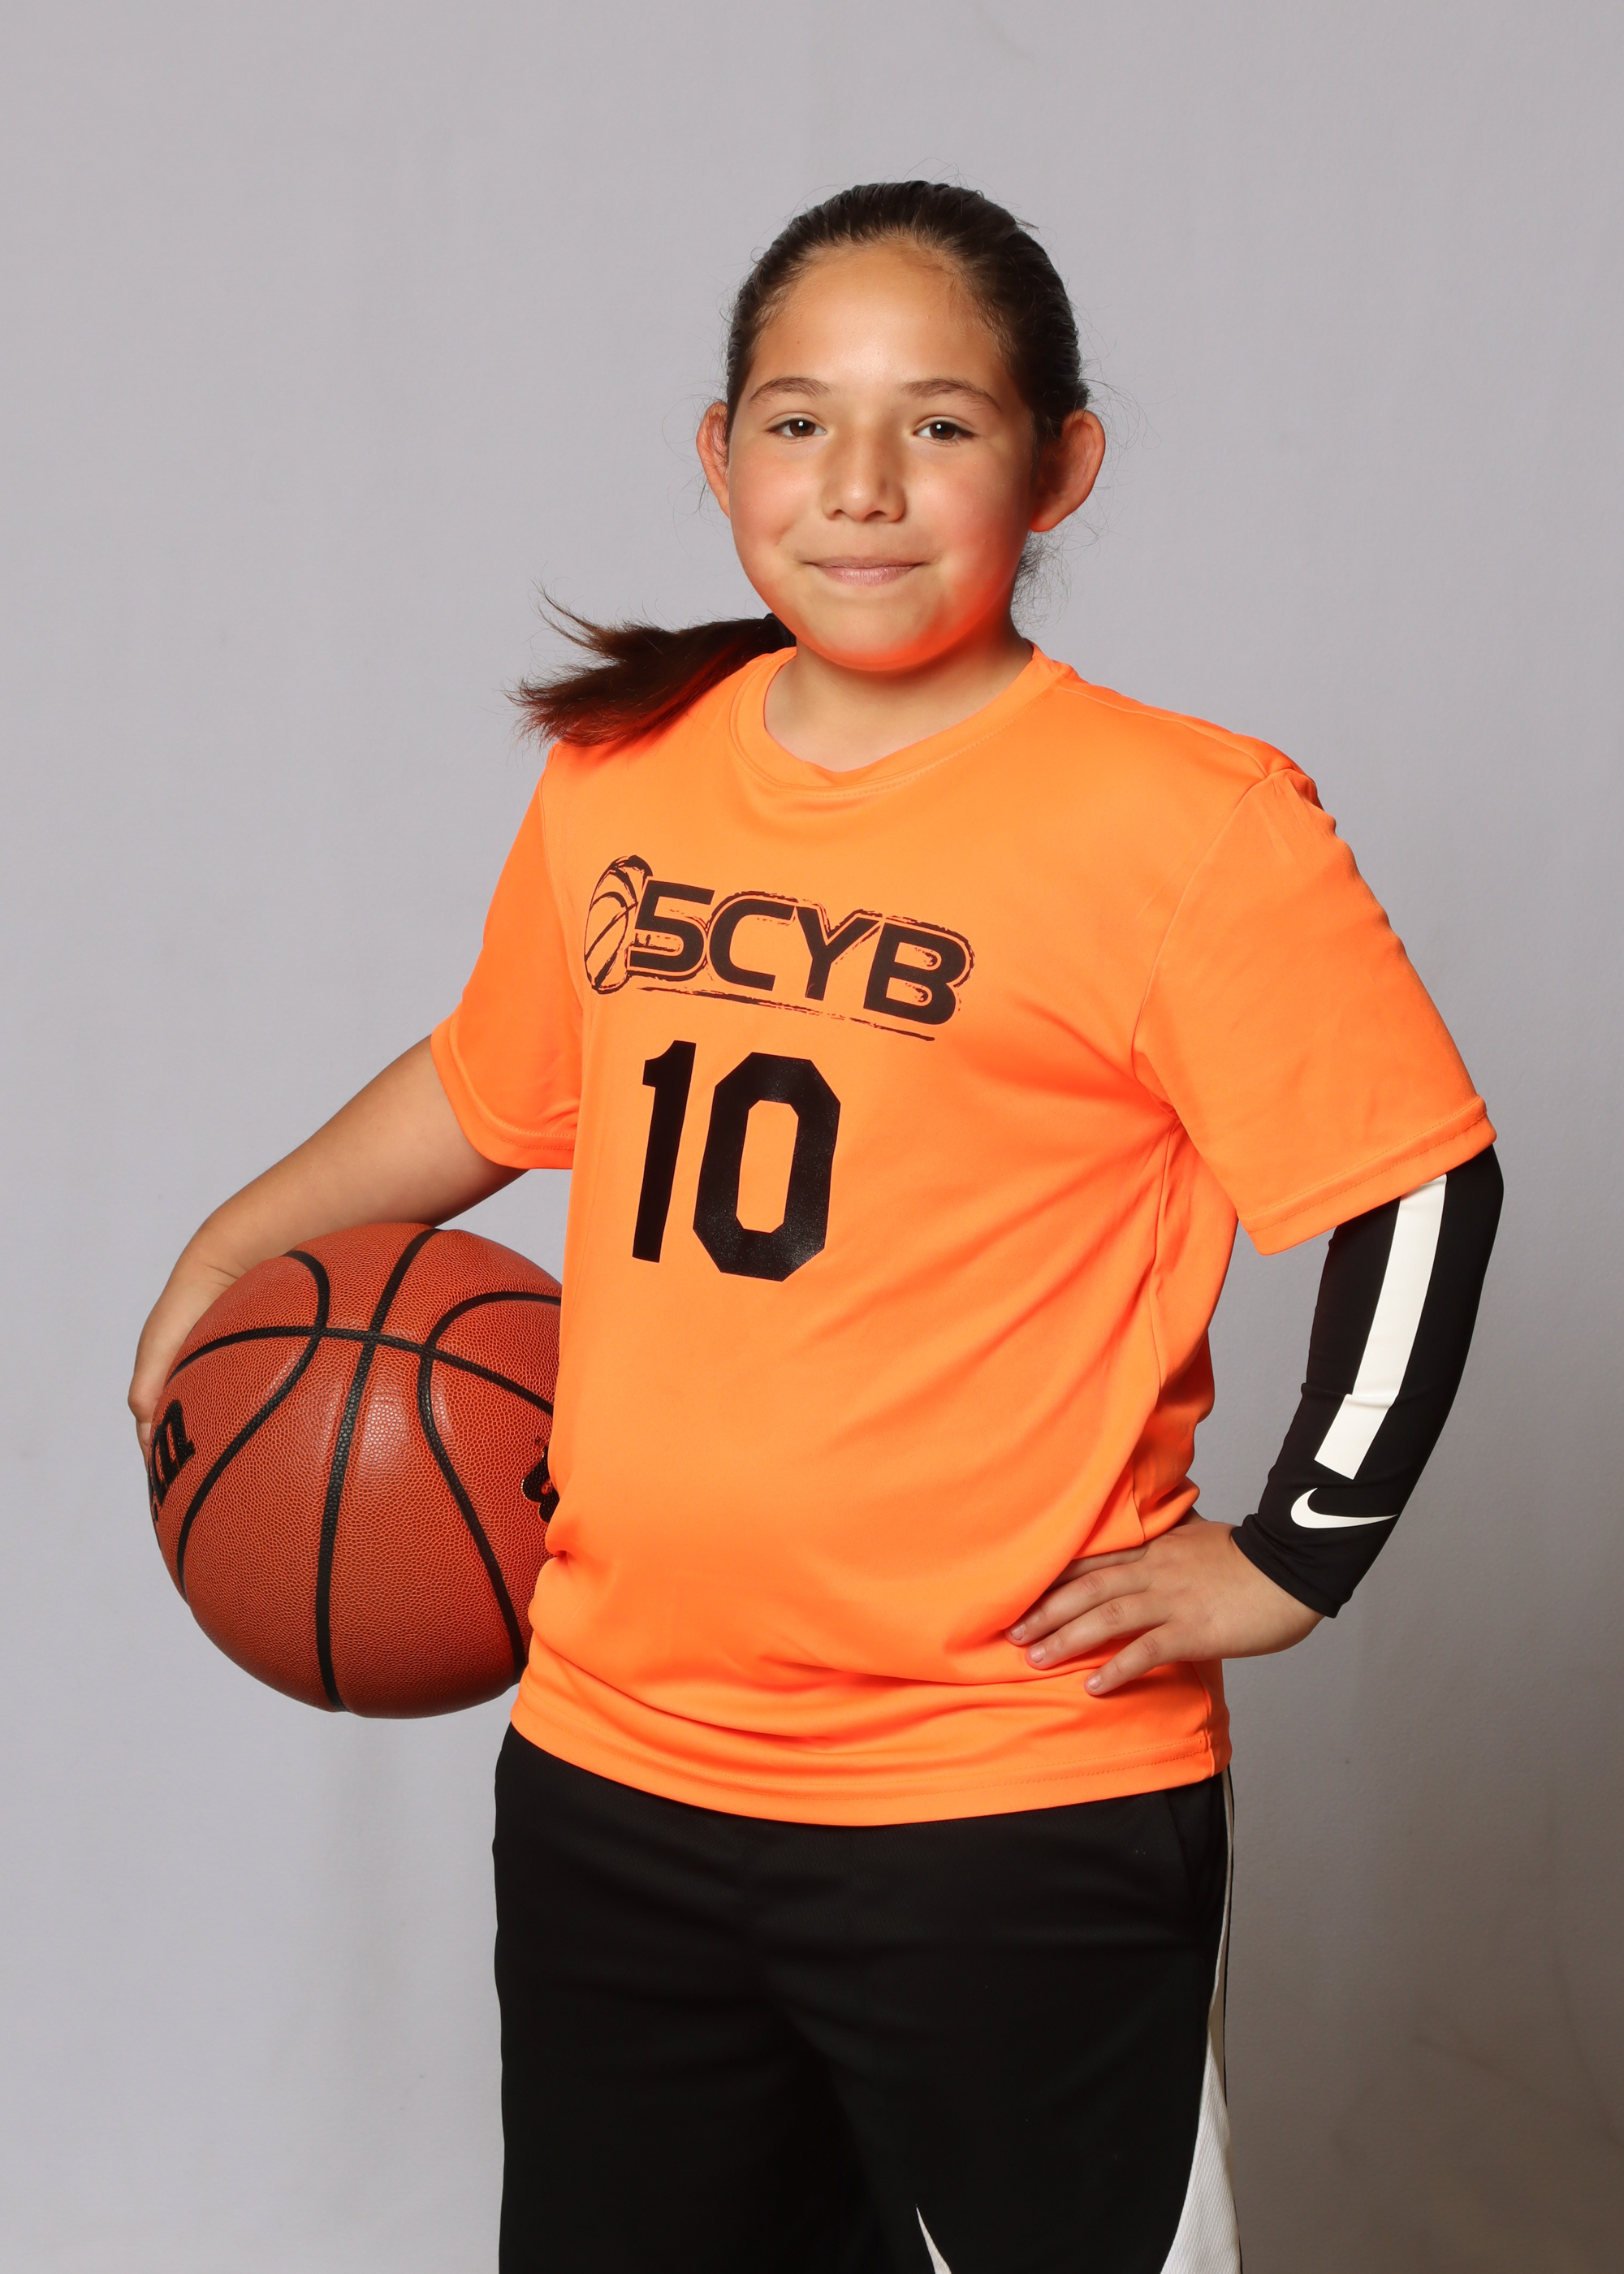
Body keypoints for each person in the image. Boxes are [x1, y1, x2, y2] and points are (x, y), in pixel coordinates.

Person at [129, 182, 1501, 2274]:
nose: (862, 483)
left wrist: (1301, 1551)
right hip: (611, 1767)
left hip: (998, 1802)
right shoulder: (628, 771)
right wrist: (230, 1250)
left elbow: (1414, 1180)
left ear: (1061, 466)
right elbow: (492, 1087)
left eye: (940, 424)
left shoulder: (1185, 823)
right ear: (719, 452)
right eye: (800, 420)